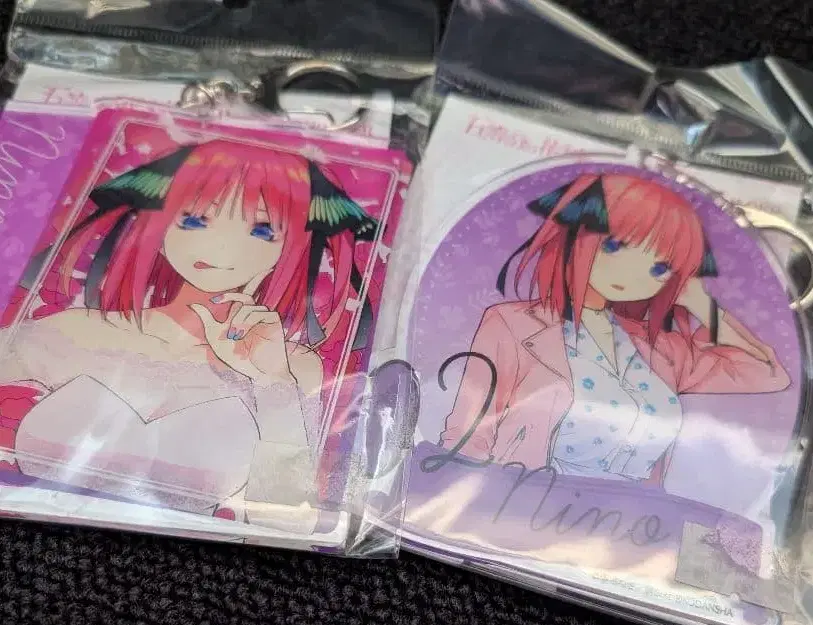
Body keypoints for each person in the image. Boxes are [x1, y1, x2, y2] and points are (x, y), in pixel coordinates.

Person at [0, 139, 375, 530]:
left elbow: (288, 521)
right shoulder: (78, 330)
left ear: (291, 247)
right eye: (195, 220)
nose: (223, 245)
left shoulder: (290, 365)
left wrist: (271, 381)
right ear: (159, 228)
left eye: (263, 230)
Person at [440, 172, 790, 482]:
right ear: (577, 235)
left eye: (659, 268)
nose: (631, 274)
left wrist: (702, 305)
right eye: (613, 246)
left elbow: (767, 373)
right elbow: (469, 431)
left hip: (630, 520)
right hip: (524, 501)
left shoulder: (661, 350)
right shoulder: (513, 325)